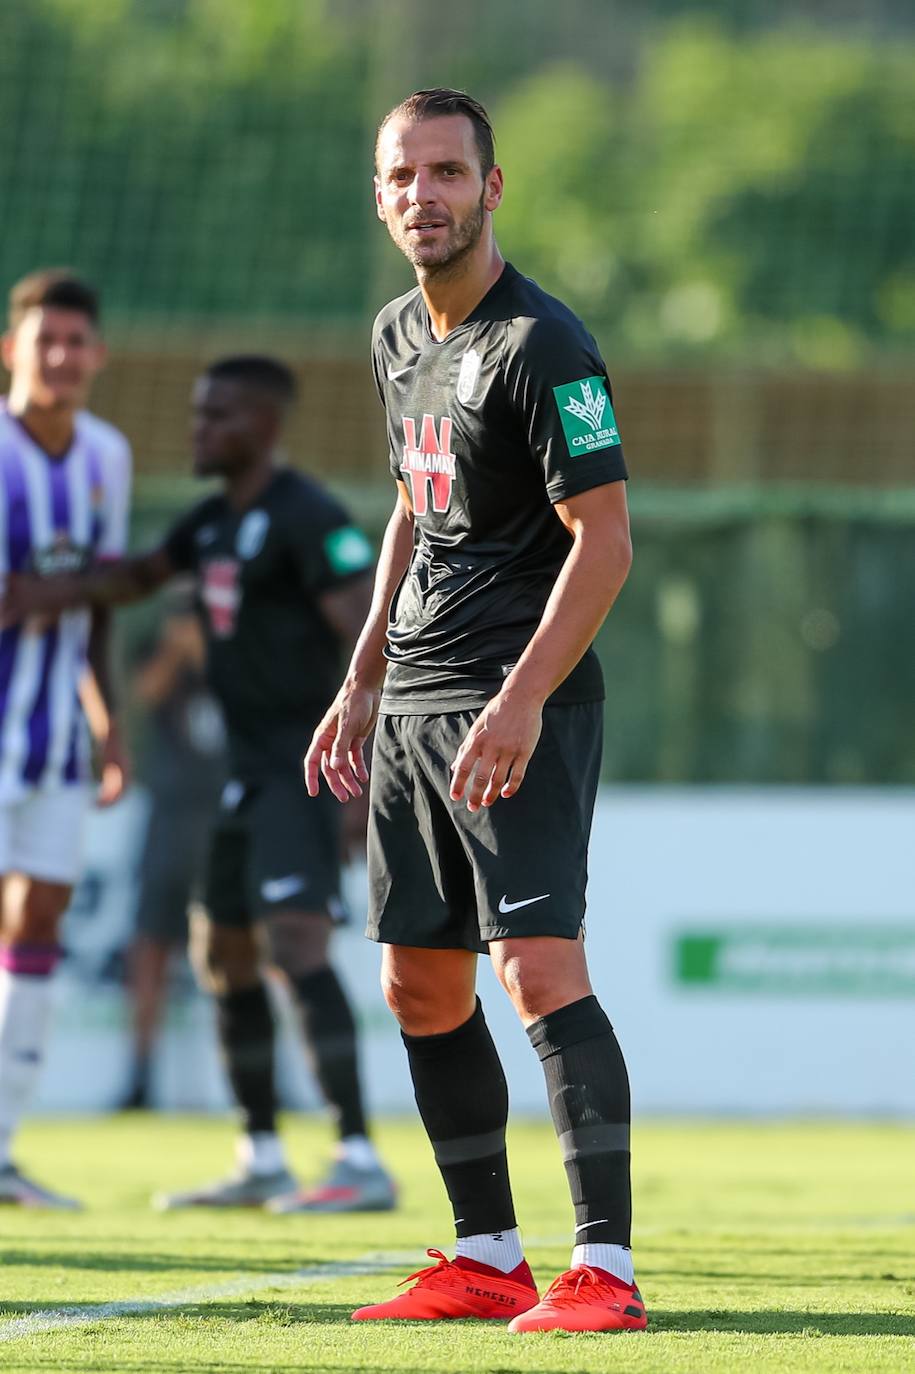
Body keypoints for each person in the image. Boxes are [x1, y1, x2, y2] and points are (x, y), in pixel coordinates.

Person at [304, 88, 644, 1332]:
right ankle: (485, 1252)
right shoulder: (398, 331)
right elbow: (412, 499)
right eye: (403, 176)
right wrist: (364, 674)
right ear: (381, 193)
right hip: (415, 700)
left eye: (448, 172)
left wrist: (522, 700)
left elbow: (603, 543)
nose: (424, 195)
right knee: (419, 987)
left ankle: (603, 1272)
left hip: (520, 701)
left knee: (537, 967)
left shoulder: (549, 345)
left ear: (492, 189)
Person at [2, 354, 396, 1213]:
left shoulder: (309, 518)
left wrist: (365, 774)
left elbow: (370, 634)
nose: (197, 430)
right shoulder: (212, 522)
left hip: (304, 764)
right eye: (197, 413)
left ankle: (358, 1156)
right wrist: (35, 593)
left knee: (296, 945)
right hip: (240, 774)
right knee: (221, 953)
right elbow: (135, 576)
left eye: (215, 416)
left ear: (262, 425)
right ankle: (260, 1153)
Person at [0, 269, 131, 1208]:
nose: (60, 357)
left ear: (98, 355)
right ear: (13, 348)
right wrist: (74, 588)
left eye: (76, 342)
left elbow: (104, 603)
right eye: (45, 340)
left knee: (37, 922)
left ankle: (2, 1148)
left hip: (51, 749)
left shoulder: (106, 458)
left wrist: (107, 722)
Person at [119, 589, 226, 1110]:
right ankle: (140, 1073)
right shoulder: (154, 647)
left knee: (253, 941)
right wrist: (176, 649)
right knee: (150, 944)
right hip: (170, 814)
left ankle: (264, 1074)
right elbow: (144, 693)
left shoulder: (234, 650)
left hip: (227, 813)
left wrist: (207, 650)